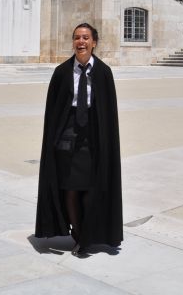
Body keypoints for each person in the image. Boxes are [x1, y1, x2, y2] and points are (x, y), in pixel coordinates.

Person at [35, 23, 122, 255]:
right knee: (71, 189)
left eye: (85, 38)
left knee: (91, 189)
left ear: (94, 42)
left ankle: (88, 233)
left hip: (94, 137)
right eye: (76, 38)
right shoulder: (62, 72)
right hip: (68, 136)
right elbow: (54, 111)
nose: (80, 42)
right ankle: (80, 236)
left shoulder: (103, 72)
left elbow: (107, 113)